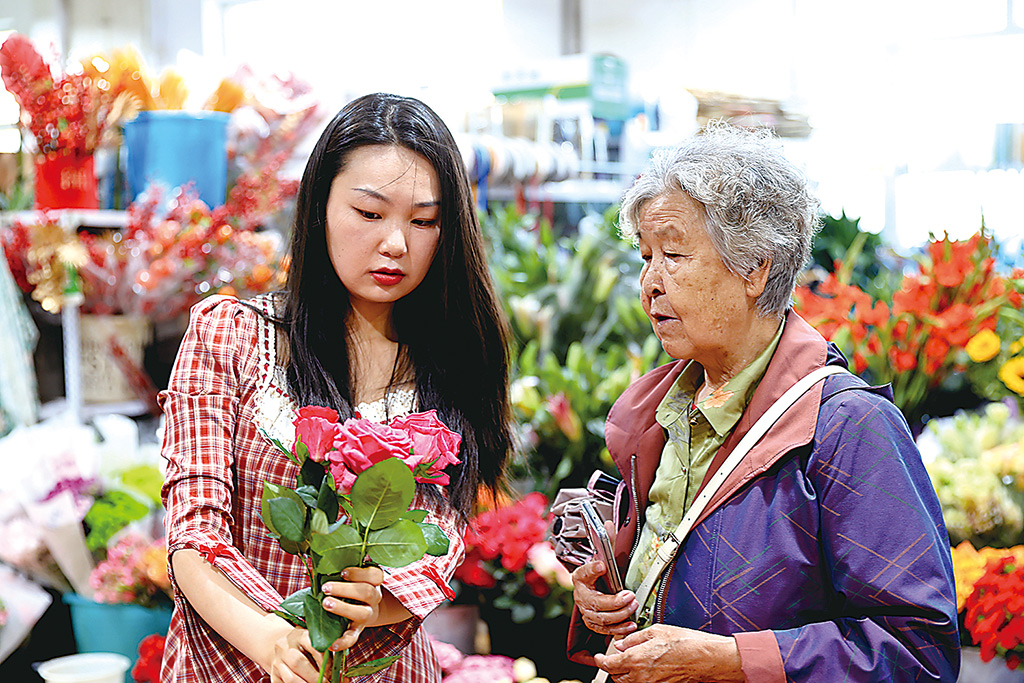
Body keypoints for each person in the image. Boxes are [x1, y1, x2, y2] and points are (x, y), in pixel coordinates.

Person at [568, 122, 959, 682]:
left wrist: (727, 661)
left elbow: (917, 651)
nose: (650, 281)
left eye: (674, 254)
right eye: (645, 255)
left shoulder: (848, 428)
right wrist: (608, 596)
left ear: (756, 268)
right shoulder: (658, 413)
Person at [159, 92, 513, 682]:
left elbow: (440, 541)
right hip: (231, 659)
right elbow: (193, 534)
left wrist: (380, 600)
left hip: (383, 667)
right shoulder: (232, 337)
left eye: (424, 220)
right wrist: (273, 641)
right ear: (319, 204)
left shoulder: (452, 362)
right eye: (370, 214)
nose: (396, 243)